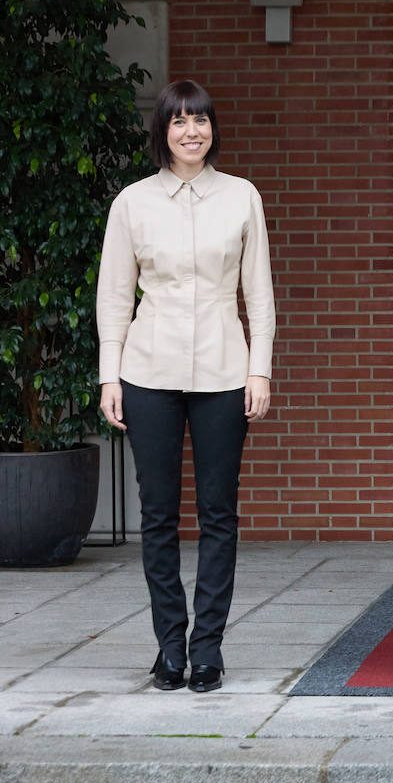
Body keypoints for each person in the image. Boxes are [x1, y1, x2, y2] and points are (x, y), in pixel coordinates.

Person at [97, 79, 275, 693]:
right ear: (163, 131)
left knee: (219, 514)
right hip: (148, 370)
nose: (191, 131)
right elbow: (116, 295)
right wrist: (108, 375)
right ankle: (170, 645)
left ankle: (208, 648)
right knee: (158, 515)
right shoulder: (133, 203)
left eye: (200, 120)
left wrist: (260, 367)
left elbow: (260, 292)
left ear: (212, 129)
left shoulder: (242, 197)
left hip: (225, 371)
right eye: (179, 121)